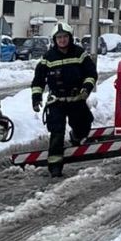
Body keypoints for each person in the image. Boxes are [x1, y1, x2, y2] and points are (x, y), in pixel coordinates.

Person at [30, 26, 97, 178]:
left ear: (70, 37)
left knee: (83, 126)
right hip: (56, 102)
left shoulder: (80, 54)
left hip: (77, 99)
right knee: (57, 133)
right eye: (59, 37)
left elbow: (91, 74)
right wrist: (36, 98)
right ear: (55, 39)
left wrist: (86, 89)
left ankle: (76, 136)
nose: (62, 40)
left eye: (65, 37)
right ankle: (55, 167)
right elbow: (38, 80)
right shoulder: (48, 57)